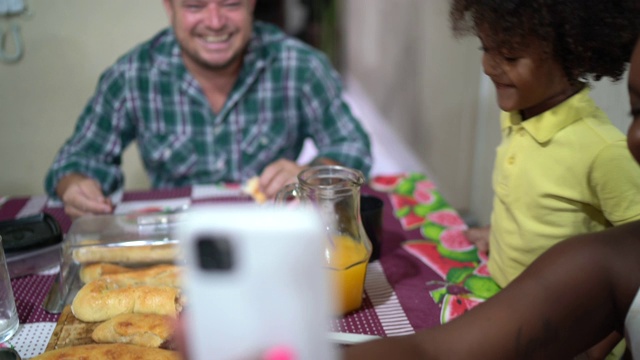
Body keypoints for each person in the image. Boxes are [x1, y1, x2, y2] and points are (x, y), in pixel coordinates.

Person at [343, 30, 640, 359]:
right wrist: (500, 233)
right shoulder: (519, 113)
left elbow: (633, 265)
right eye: (486, 49)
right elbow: (534, 200)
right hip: (504, 298)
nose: (488, 66)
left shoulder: (603, 150)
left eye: (510, 57)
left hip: (567, 330)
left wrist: (594, 351)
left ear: (571, 55)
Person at [44, 0, 372, 219]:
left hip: (274, 239)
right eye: (196, 5)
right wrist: (76, 186)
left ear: (252, 4)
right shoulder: (132, 75)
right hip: (173, 250)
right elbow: (74, 163)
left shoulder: (301, 65)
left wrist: (311, 176)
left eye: (231, 3)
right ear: (169, 6)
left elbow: (352, 146)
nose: (215, 22)